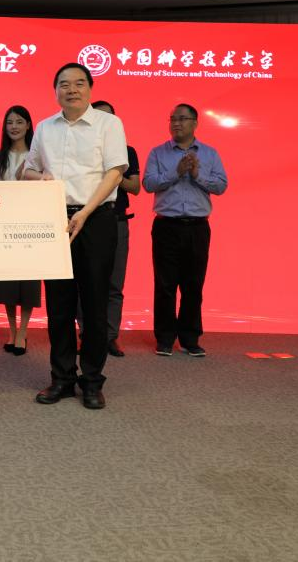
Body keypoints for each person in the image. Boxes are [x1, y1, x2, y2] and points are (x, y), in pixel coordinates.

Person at [23, 63, 128, 410]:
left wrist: (84, 212)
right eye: (64, 84)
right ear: (55, 91)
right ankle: (62, 378)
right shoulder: (44, 127)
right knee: (59, 304)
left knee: (95, 303)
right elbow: (29, 170)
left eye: (79, 83)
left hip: (96, 218)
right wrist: (42, 180)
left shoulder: (108, 124)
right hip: (54, 219)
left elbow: (115, 173)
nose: (72, 90)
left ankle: (93, 380)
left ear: (90, 89)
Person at [142, 104, 228, 357]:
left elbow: (221, 186)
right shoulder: (158, 152)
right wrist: (176, 172)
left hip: (197, 227)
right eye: (173, 119)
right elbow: (148, 183)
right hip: (166, 226)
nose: (176, 123)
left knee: (193, 285)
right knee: (165, 285)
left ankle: (190, 339)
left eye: (182, 119)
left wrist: (197, 175)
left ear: (195, 123)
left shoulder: (210, 154)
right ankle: (165, 339)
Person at [0, 105, 41, 356]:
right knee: (7, 282)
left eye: (19, 122)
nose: (14, 127)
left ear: (28, 125)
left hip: (30, 224)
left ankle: (23, 332)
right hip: (3, 224)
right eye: (9, 122)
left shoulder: (37, 156)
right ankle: (11, 330)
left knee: (27, 281)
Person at [91, 100, 140, 358]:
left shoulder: (126, 151)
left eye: (108, 117)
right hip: (87, 221)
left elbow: (135, 187)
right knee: (85, 283)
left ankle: (110, 336)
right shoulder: (82, 150)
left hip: (117, 220)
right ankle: (86, 333)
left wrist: (114, 174)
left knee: (114, 283)